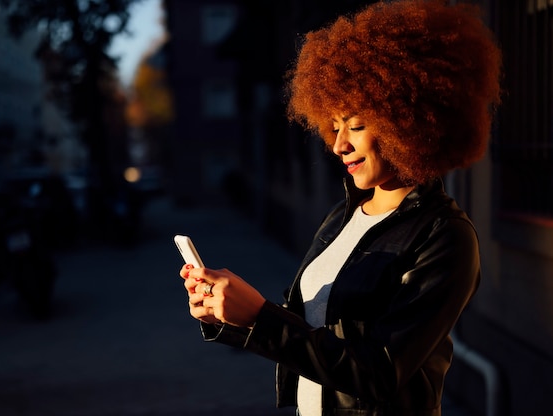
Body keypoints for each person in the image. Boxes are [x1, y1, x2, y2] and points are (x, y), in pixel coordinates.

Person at [179, 0, 502, 415]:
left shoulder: (445, 235)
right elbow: (311, 335)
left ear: (409, 120)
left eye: (357, 125)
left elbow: (381, 372)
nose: (338, 145)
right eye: (333, 126)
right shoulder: (342, 216)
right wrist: (230, 313)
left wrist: (261, 317)